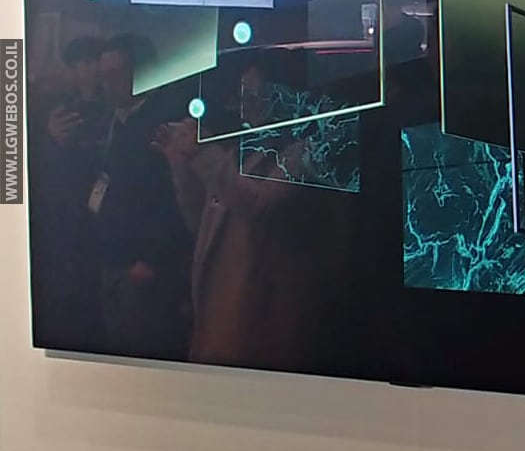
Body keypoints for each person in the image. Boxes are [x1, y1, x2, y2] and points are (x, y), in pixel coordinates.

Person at [156, 63, 349, 372]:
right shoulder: (242, 150)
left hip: (264, 332)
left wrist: (203, 155)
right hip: (220, 327)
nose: (244, 105)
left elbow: (260, 207)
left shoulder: (307, 152)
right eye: (243, 95)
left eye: (255, 95)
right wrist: (180, 164)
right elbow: (199, 223)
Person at [90, 34, 191, 359]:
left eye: (114, 74)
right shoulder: (108, 119)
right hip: (110, 260)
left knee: (145, 355)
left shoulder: (166, 124)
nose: (106, 84)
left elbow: (176, 198)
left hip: (146, 270)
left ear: (142, 73)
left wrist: (151, 259)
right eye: (102, 75)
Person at [29, 36, 110, 349]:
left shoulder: (113, 105)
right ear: (73, 68)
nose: (91, 69)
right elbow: (37, 165)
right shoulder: (59, 108)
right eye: (83, 63)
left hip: (108, 217)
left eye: (95, 61)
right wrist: (53, 139)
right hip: (66, 214)